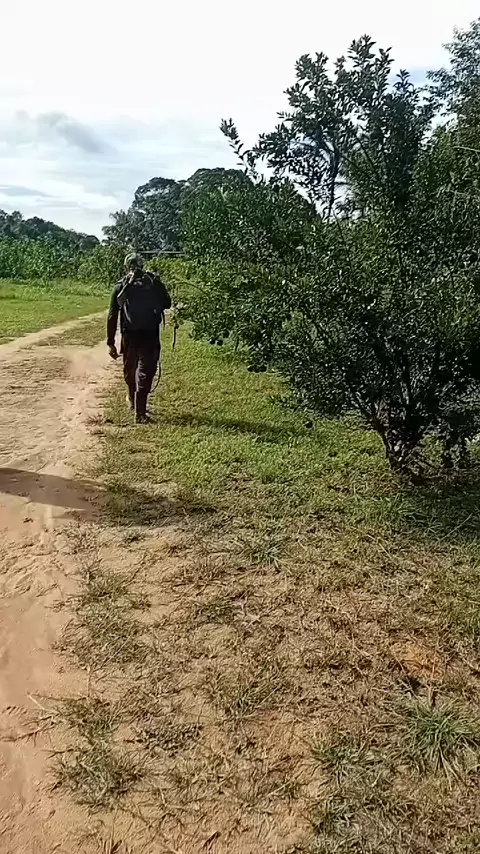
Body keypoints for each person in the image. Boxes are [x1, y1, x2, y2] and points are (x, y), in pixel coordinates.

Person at [107, 253, 171, 423]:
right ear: (142, 265)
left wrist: (111, 343)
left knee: (131, 369)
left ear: (126, 267)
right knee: (145, 371)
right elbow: (167, 303)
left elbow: (112, 314)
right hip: (150, 334)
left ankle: (132, 401)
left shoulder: (121, 286)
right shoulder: (153, 282)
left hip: (129, 334)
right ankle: (140, 412)